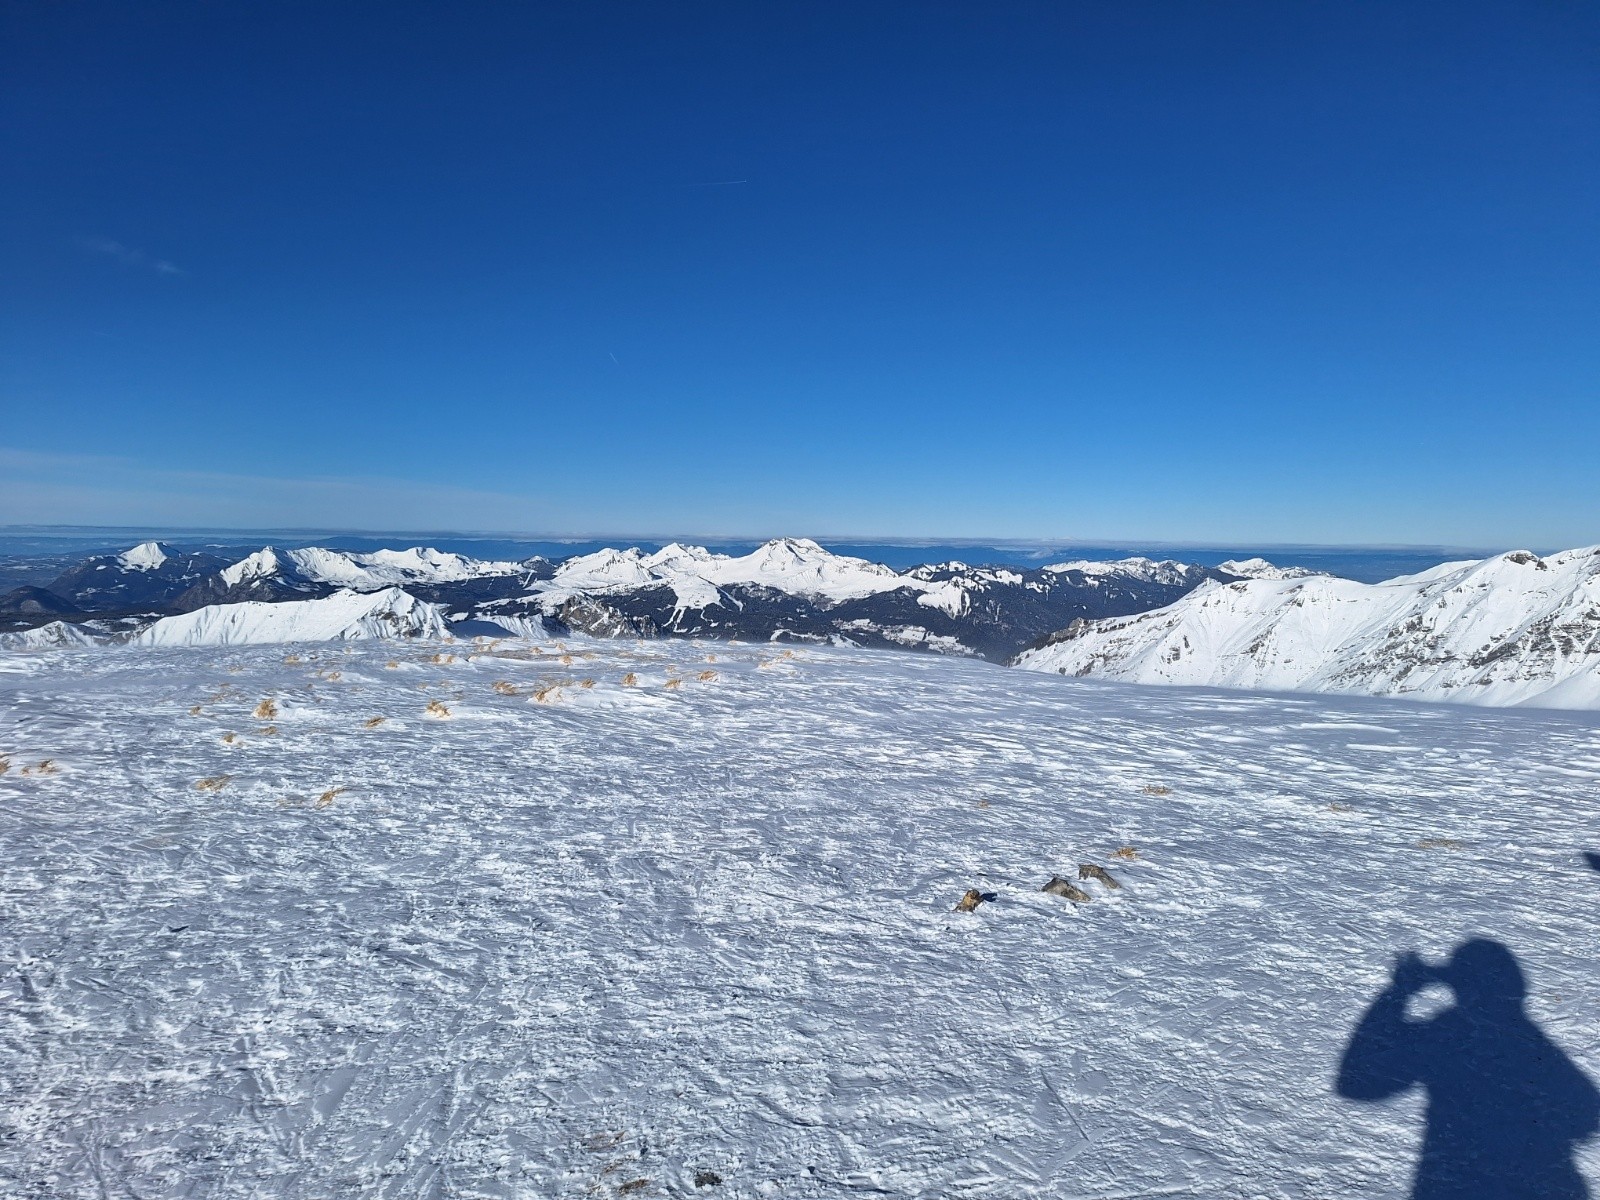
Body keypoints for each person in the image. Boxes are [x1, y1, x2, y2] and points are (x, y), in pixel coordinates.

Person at [1338, 939, 1599, 1198]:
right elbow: (1587, 1114)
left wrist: (1398, 993)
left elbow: (1357, 1082)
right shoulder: (1530, 1042)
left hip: (1458, 1185)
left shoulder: (1445, 1036)